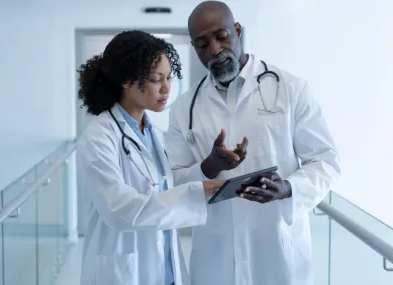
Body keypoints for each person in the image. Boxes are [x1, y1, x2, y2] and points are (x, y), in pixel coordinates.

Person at [164, 1, 341, 285]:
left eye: (221, 36)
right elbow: (172, 180)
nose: (214, 50)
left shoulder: (291, 90)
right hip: (216, 257)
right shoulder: (184, 108)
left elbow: (326, 160)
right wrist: (207, 167)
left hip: (277, 253)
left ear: (237, 31)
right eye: (202, 44)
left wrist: (288, 188)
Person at [75, 30, 227, 285]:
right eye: (157, 79)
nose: (167, 88)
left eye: (168, 77)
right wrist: (196, 192)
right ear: (127, 80)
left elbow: (166, 188)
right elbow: (120, 210)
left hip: (165, 268)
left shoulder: (154, 133)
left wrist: (209, 169)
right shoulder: (99, 138)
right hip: (124, 271)